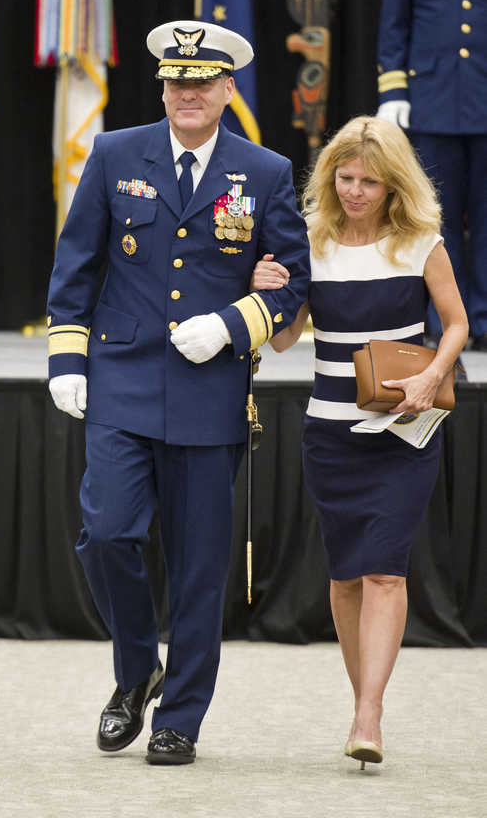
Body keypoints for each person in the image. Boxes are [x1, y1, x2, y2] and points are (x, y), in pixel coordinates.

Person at [46, 20, 310, 765]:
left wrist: (233, 325)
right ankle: (136, 673)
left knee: (198, 567)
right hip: (122, 378)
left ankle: (181, 719)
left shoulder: (262, 171)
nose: (186, 94)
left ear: (226, 90)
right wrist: (66, 358)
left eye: (200, 83)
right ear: (161, 87)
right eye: (174, 82)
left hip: (207, 389)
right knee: (106, 533)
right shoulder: (113, 153)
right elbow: (75, 266)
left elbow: (292, 282)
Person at [252, 116, 468, 769]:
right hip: (328, 431)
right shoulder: (310, 244)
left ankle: (367, 713)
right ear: (328, 177)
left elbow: (456, 324)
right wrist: (264, 291)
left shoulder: (419, 243)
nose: (353, 191)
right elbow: (286, 339)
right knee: (345, 577)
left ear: (391, 183)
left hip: (403, 428)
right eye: (344, 178)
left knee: (383, 570)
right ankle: (360, 701)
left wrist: (433, 375)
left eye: (368, 181)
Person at [376, 0, 487, 351]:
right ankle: (448, 321)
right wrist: (394, 91)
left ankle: (485, 321)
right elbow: (394, 23)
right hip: (433, 105)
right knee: (435, 218)